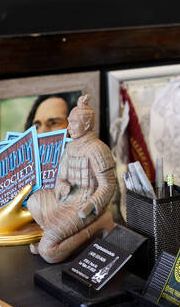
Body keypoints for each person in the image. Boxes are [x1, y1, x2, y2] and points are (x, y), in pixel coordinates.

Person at [28, 95, 117, 263]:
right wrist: (62, 185)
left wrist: (91, 204)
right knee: (34, 201)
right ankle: (55, 238)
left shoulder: (98, 149)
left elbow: (109, 184)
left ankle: (98, 224)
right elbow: (62, 177)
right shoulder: (70, 146)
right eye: (69, 122)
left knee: (49, 254)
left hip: (83, 204)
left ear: (88, 124)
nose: (69, 127)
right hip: (65, 199)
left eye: (74, 123)